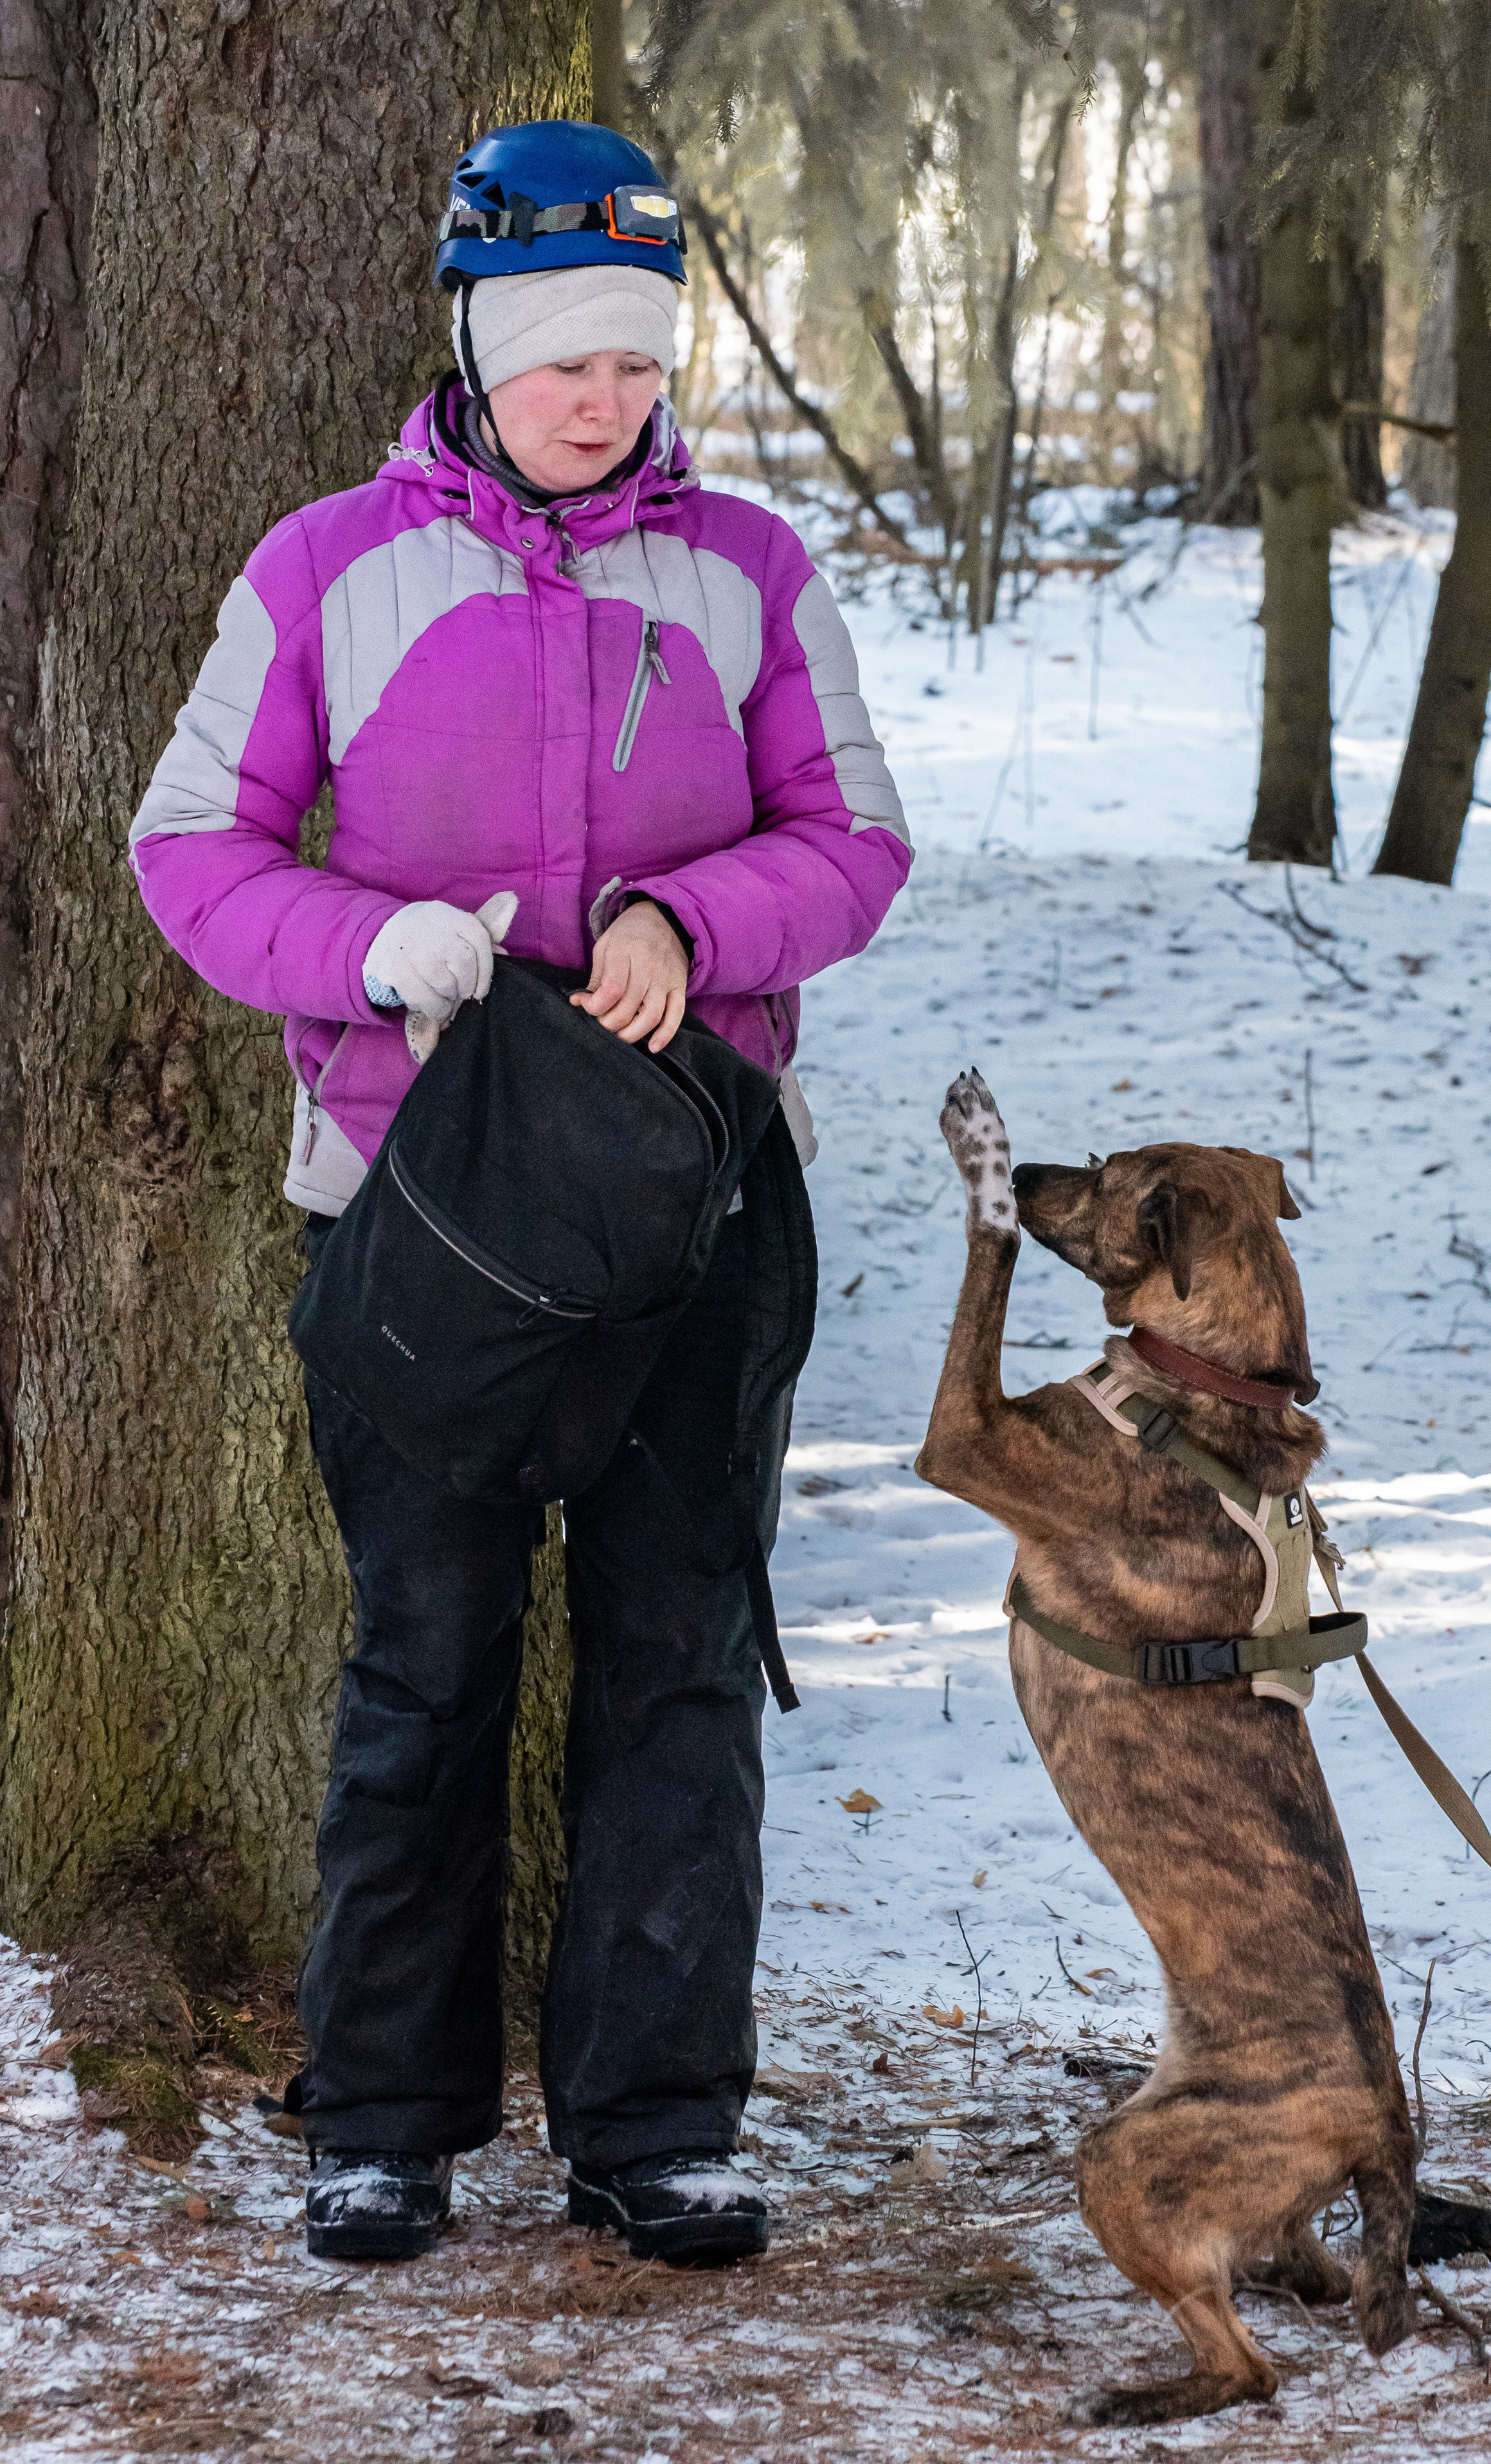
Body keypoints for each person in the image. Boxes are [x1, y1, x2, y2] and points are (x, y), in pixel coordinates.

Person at [129, 118, 911, 2265]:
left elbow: (856, 841)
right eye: (562, 353)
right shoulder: (322, 573)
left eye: (640, 362)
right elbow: (190, 850)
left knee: (673, 1665)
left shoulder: (750, 575)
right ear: (472, 334)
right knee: (425, 1662)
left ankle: (658, 2124)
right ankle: (381, 2117)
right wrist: (374, 954)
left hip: (695, 1224)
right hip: (415, 1212)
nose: (602, 397)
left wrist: (695, 915)